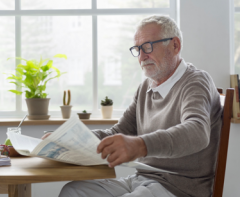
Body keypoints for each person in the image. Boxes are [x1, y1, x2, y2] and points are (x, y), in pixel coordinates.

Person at [42, 15, 222, 197]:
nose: (142, 56)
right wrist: (69, 138)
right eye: (138, 49)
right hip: (141, 180)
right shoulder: (145, 87)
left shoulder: (196, 82)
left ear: (175, 45)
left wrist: (141, 145)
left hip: (179, 188)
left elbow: (197, 132)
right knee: (73, 191)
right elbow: (118, 133)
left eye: (148, 46)